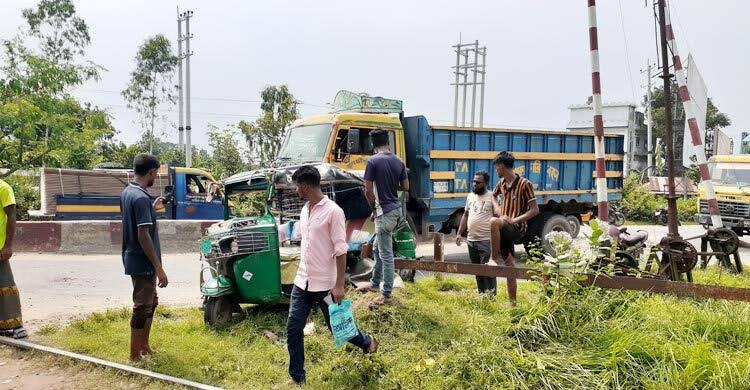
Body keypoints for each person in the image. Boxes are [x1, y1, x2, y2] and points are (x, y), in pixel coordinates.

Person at [286, 165, 378, 385]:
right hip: (302, 282)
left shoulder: (333, 211)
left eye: (297, 186)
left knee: (339, 328)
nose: (295, 190)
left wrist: (339, 286)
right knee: (293, 327)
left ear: (305, 186)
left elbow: (340, 250)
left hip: (326, 286)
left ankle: (367, 342)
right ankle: (297, 377)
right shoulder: (305, 210)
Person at [121, 154, 169, 362]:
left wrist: (151, 208)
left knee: (151, 302)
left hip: (134, 257)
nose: (155, 177)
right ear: (150, 172)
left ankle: (144, 346)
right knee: (142, 306)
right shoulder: (141, 198)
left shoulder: (129, 193)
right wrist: (159, 268)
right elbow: (143, 235)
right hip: (143, 261)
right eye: (156, 173)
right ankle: (134, 354)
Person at [359, 129, 409, 308]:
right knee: (377, 248)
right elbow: (406, 186)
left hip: (383, 213)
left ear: (373, 144)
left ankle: (386, 293)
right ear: (388, 141)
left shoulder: (372, 161)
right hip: (396, 211)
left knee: (386, 255)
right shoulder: (399, 161)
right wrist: (390, 186)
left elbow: (367, 190)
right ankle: (374, 283)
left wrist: (373, 209)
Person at [489, 152, 539, 305]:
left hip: (517, 228)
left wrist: (514, 219)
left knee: (493, 222)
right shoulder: (502, 183)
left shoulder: (525, 184)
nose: (496, 171)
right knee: (510, 265)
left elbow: (535, 210)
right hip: (504, 229)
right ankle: (513, 303)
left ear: (501, 167)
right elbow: (493, 195)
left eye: (497, 168)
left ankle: (493, 258)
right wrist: (498, 208)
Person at [456, 171, 499, 296]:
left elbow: (497, 217)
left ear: (485, 183)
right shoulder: (470, 196)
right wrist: (459, 233)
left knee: (489, 271)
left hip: (486, 240)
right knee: (477, 271)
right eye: (474, 181)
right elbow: (466, 215)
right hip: (471, 241)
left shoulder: (493, 197)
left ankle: (491, 298)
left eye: (478, 182)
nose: (475, 184)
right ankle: (482, 296)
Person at [0, 179, 27, 339]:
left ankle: (17, 326)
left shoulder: (3, 188)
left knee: (6, 284)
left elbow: (11, 215)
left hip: (0, 245)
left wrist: (8, 245)